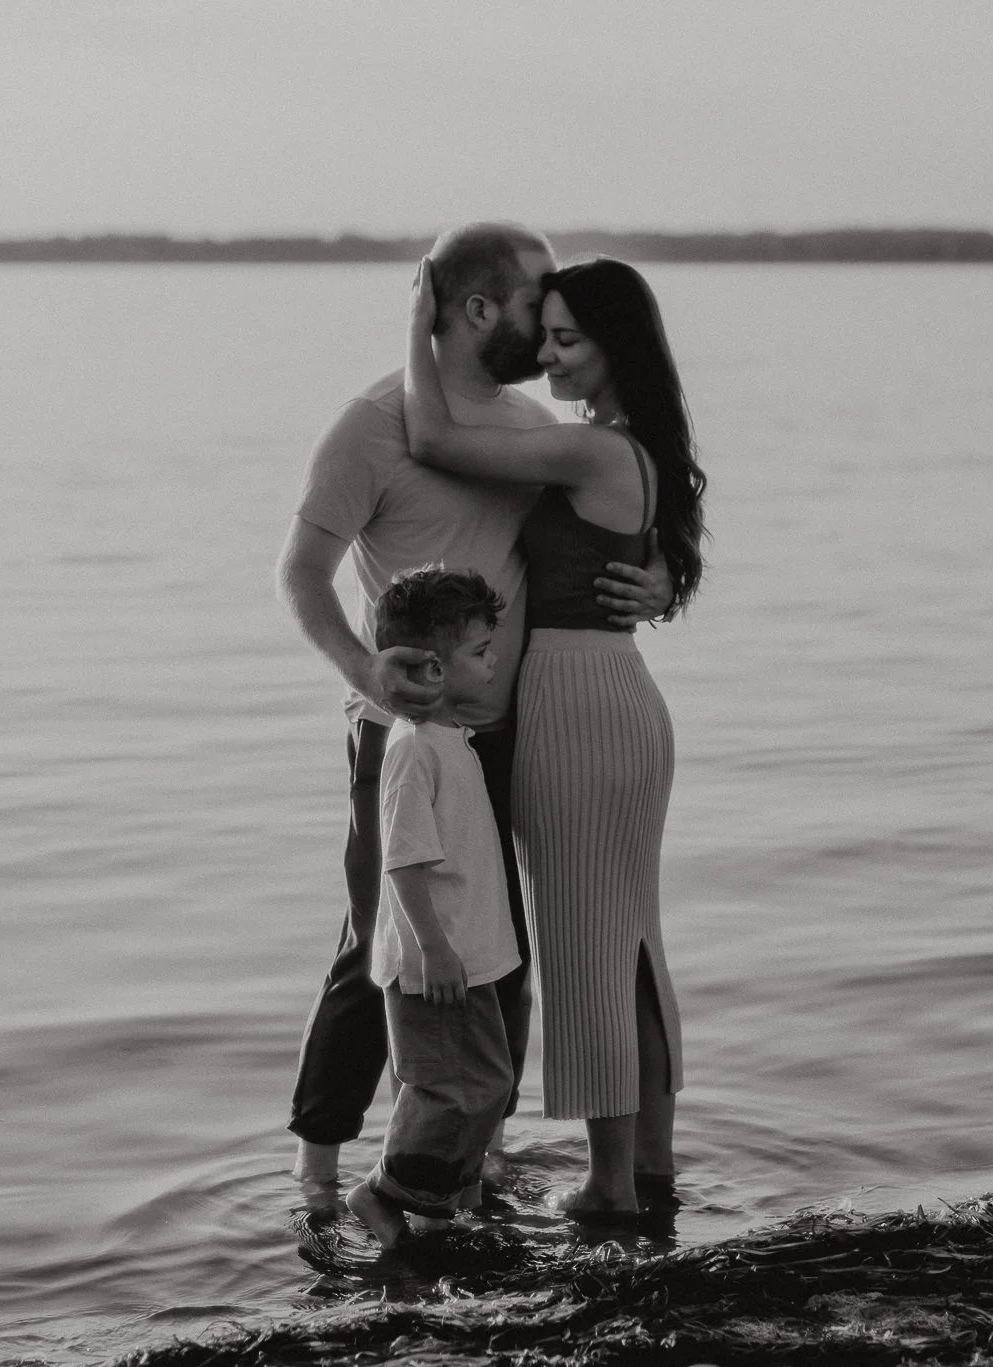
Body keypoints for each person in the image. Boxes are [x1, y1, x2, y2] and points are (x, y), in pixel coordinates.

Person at [277, 222, 672, 1209]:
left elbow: (620, 506)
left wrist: (662, 578)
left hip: (511, 729)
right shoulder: (371, 422)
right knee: (382, 940)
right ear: (478, 309)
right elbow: (299, 573)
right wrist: (368, 669)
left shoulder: (527, 424)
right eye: (537, 298)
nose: (548, 321)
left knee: (499, 950)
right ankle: (320, 1164)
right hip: (401, 731)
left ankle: (464, 1153)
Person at [404, 254, 706, 1218]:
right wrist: (665, 586)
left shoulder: (593, 452)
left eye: (569, 339)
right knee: (629, 942)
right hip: (620, 696)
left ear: (620, 348)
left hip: (577, 705)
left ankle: (609, 1187)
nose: (548, 355)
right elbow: (657, 563)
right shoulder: (639, 452)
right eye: (549, 334)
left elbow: (435, 435)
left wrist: (425, 322)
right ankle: (651, 1166)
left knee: (584, 949)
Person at [342, 566, 520, 1250]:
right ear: (436, 668)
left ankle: (442, 1199)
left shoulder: (452, 740)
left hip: (469, 957)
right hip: (434, 961)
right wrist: (433, 947)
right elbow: (404, 858)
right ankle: (382, 1194)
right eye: (480, 651)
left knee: (488, 1083)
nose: (493, 660)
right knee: (448, 1089)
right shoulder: (416, 749)